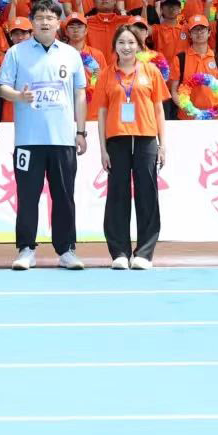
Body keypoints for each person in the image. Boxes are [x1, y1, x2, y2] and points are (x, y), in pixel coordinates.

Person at [0, 0, 87, 270]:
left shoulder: (70, 54)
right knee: (28, 196)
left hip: (63, 139)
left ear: (58, 23)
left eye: (50, 18)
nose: (45, 22)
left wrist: (81, 131)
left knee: (64, 195)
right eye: (39, 18)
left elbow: (79, 94)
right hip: (29, 140)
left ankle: (66, 250)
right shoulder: (16, 53)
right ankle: (26, 249)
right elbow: (2, 87)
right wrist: (19, 96)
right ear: (32, 23)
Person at [91, 27, 167, 270]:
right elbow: (101, 113)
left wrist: (163, 144)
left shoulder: (151, 71)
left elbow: (159, 110)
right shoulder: (106, 74)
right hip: (117, 140)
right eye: (121, 42)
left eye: (131, 42)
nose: (126, 47)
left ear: (139, 45)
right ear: (115, 46)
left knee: (147, 195)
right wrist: (102, 149)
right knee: (117, 195)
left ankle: (144, 253)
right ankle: (120, 252)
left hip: (146, 138)